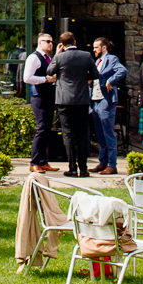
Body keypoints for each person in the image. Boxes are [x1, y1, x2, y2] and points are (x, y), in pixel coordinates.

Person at [49, 34, 97, 178]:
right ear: (75, 42)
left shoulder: (59, 57)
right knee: (83, 134)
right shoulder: (86, 55)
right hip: (82, 99)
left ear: (62, 45)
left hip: (64, 101)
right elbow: (95, 74)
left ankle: (72, 168)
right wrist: (83, 77)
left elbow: (49, 72)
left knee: (68, 134)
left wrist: (56, 55)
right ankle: (83, 169)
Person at [22, 33, 57, 172]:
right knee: (42, 128)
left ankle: (43, 161)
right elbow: (27, 78)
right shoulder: (33, 58)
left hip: (48, 96)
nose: (50, 44)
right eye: (47, 41)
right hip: (38, 97)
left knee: (47, 129)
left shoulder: (48, 58)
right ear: (40, 42)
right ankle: (34, 162)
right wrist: (46, 79)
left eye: (52, 41)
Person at [91, 36, 126, 175]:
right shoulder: (96, 61)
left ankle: (112, 164)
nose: (94, 49)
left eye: (96, 47)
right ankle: (102, 162)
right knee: (99, 134)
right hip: (95, 99)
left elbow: (122, 70)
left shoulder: (111, 59)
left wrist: (111, 80)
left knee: (108, 133)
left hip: (106, 99)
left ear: (104, 48)